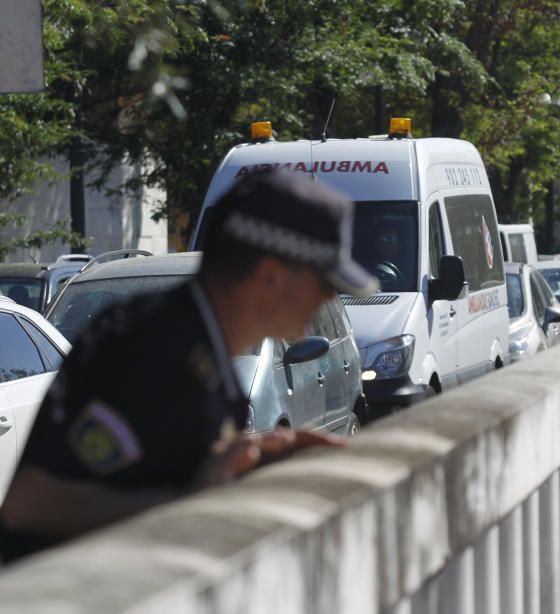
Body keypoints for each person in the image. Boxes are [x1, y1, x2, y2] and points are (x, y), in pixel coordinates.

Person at [0, 171, 377, 562]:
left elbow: (154, 466)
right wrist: (193, 500)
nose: (331, 296)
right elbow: (28, 503)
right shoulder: (149, 348)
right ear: (270, 276)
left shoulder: (202, 345)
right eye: (323, 281)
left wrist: (247, 461)